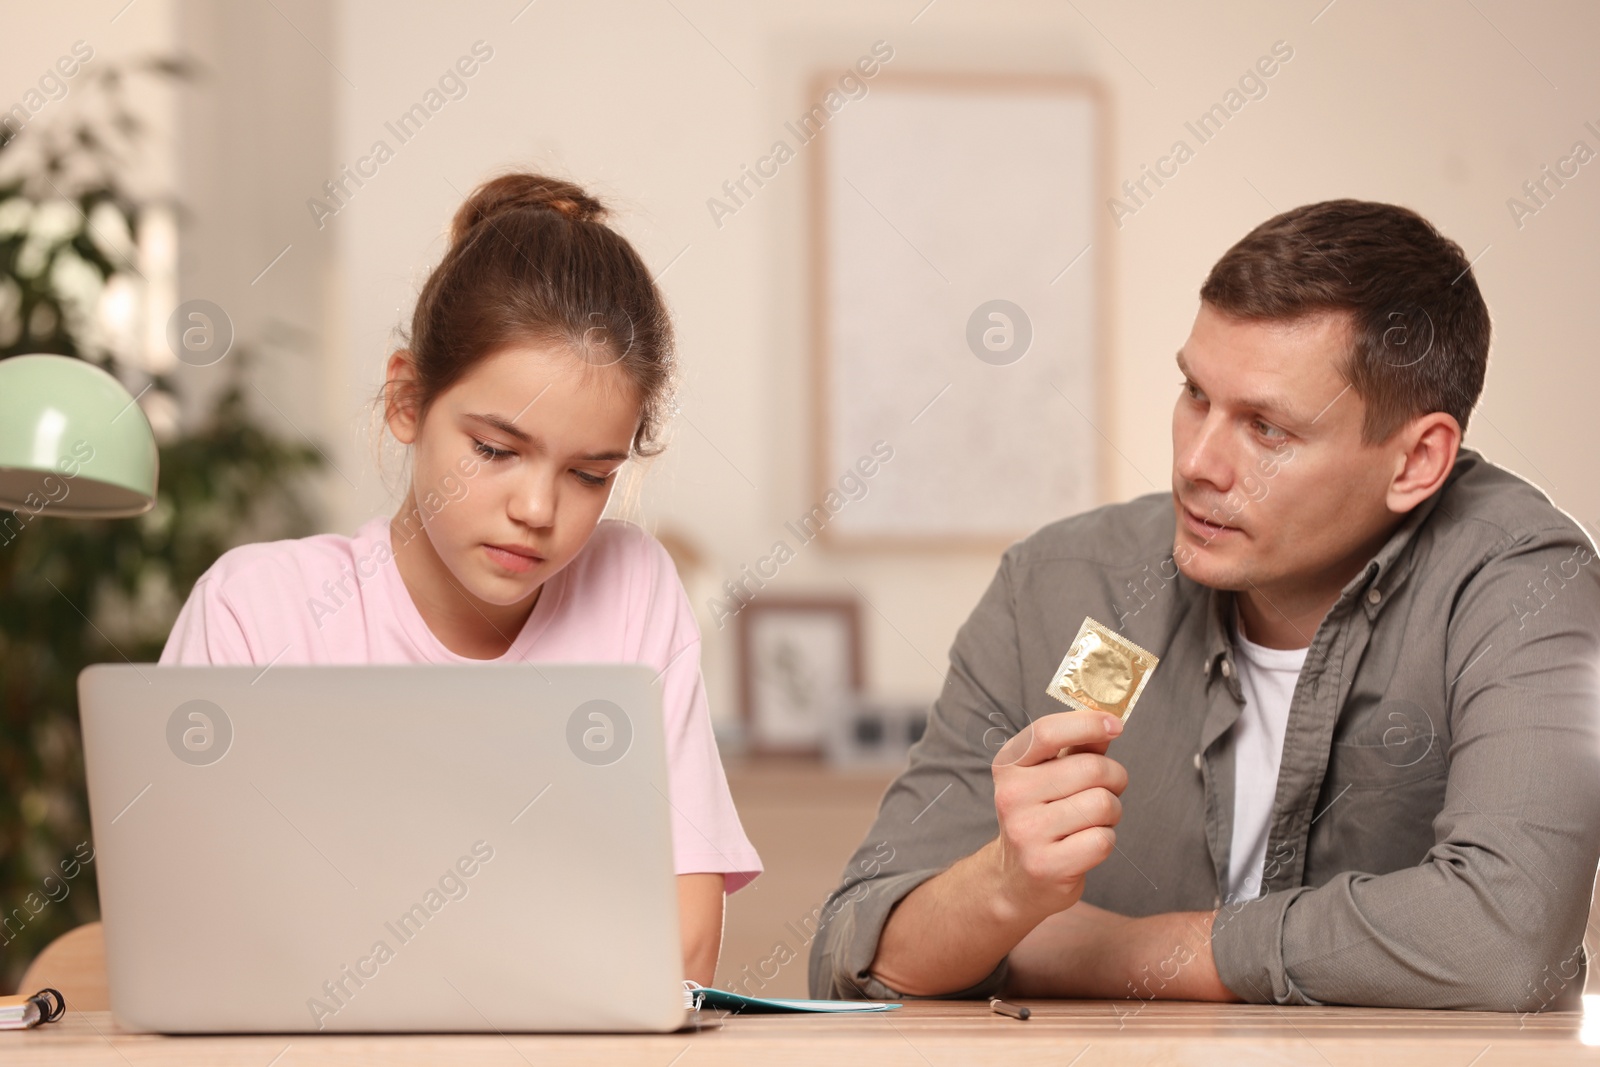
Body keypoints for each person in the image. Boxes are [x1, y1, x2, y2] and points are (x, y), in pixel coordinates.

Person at [810, 199, 1600, 1011]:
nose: (1195, 461)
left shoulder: (1525, 584)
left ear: (1416, 461)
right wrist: (1005, 892)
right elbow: (854, 952)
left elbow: (1506, 938)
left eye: (1267, 428)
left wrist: (1114, 950)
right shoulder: (1067, 584)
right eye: (1195, 392)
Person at [160, 172, 761, 986]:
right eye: (495, 449)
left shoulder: (632, 587)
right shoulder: (256, 611)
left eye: (589, 474)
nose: (538, 508)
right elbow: (195, 936)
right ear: (407, 398)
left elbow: (684, 948)